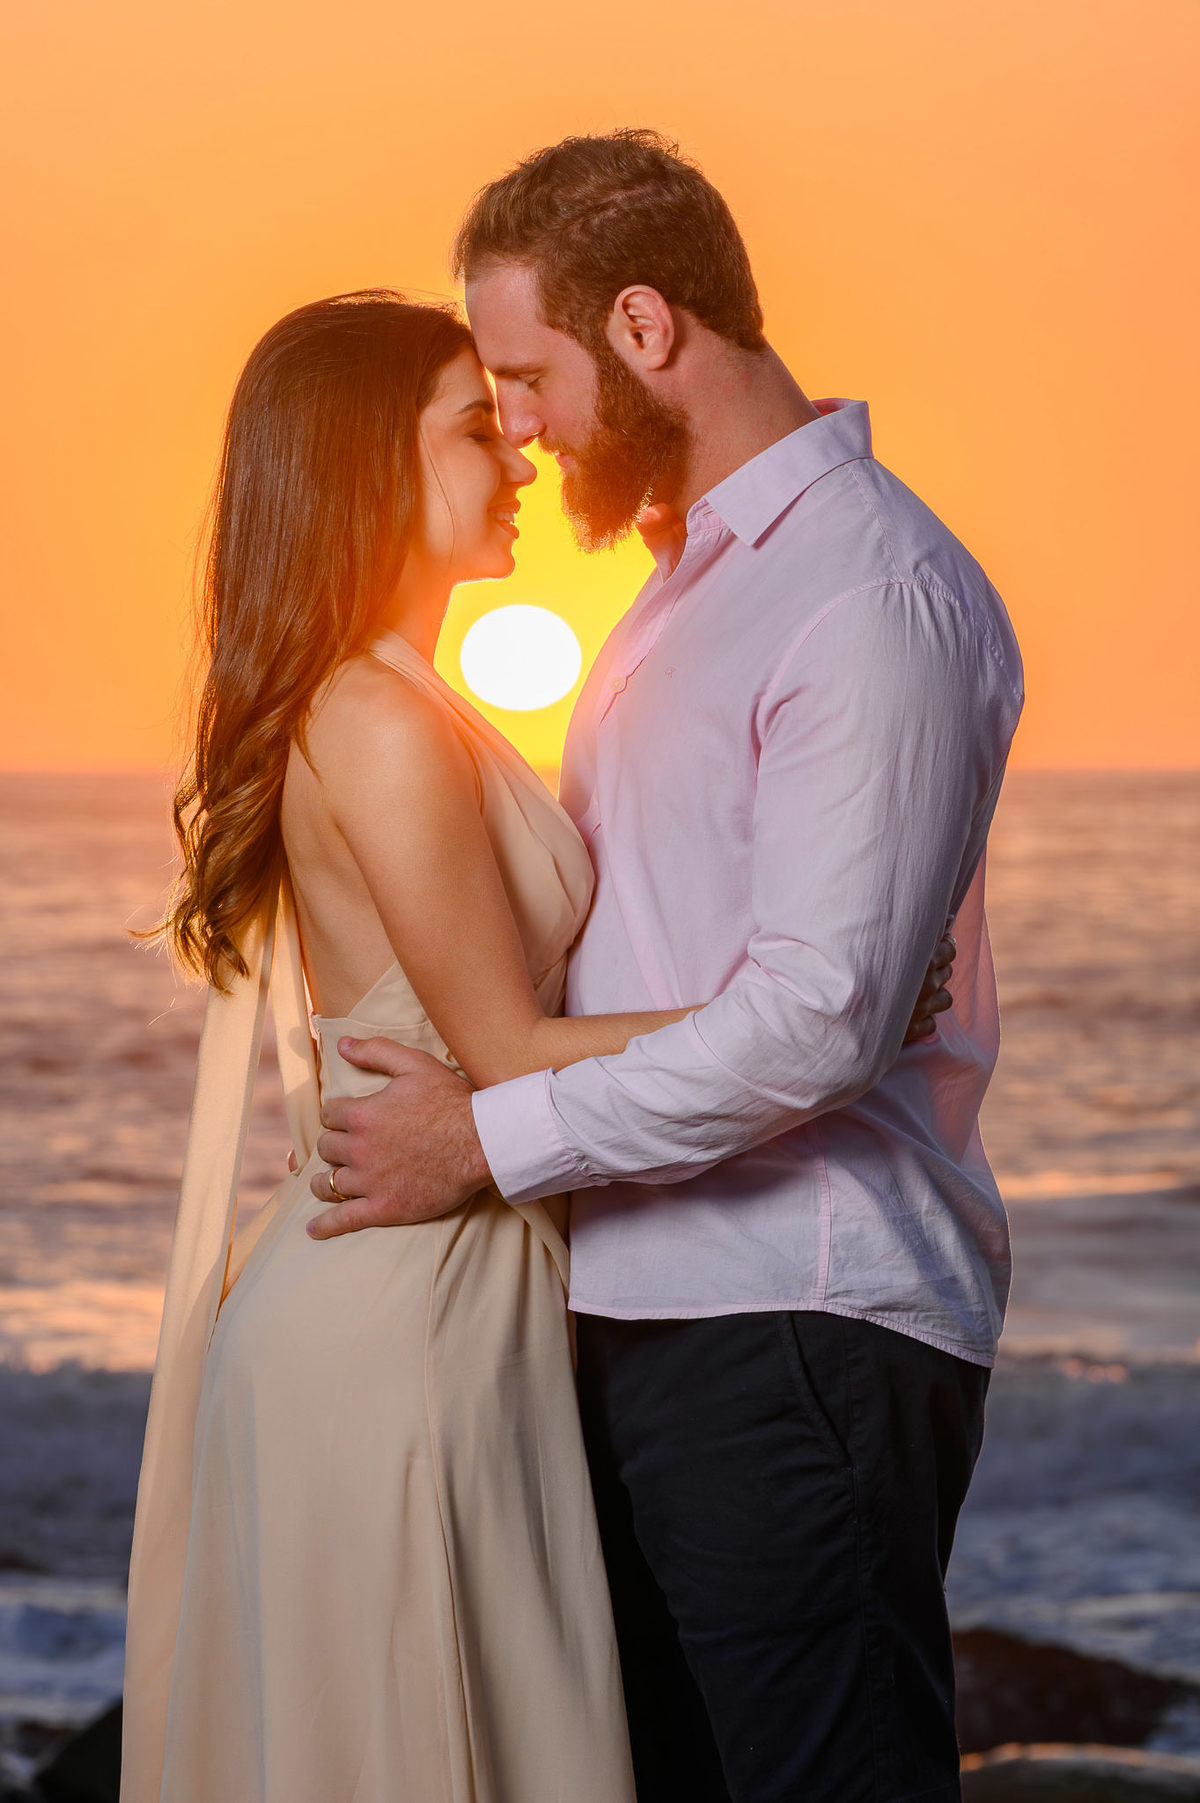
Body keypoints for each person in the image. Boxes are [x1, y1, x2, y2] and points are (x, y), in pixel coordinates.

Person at [118, 285, 964, 1803]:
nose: (516, 456)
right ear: (367, 464)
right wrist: (827, 1013)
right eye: (470, 426)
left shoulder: (414, 705)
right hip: (406, 1299)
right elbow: (507, 1047)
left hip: (468, 1274)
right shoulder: (374, 720)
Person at [307, 132, 1025, 1803]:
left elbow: (819, 1025)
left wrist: (478, 1144)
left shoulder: (869, 596)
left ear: (642, 327)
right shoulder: (681, 594)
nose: (525, 431)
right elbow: (691, 968)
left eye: (527, 376)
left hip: (800, 1312)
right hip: (643, 1305)